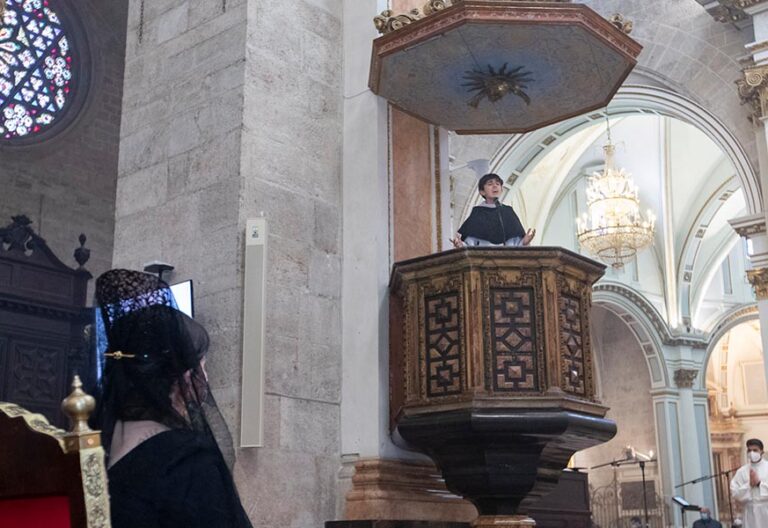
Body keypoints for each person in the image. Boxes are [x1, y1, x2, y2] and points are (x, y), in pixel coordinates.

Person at [94, 269, 252, 528]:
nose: (206, 378)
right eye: (203, 366)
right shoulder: (187, 460)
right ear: (185, 377)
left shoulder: (93, 447)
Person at [451, 173, 535, 248]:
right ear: (482, 192)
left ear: (501, 189)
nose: (495, 186)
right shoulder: (478, 213)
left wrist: (524, 242)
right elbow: (470, 244)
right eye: (490, 184)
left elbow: (516, 244)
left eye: (498, 184)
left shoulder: (508, 212)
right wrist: (461, 245)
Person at [730, 438, 768, 526]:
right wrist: (749, 485)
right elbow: (735, 493)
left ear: (761, 451)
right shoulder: (742, 471)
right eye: (749, 450)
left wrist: (759, 484)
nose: (752, 453)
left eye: (755, 450)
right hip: (750, 510)